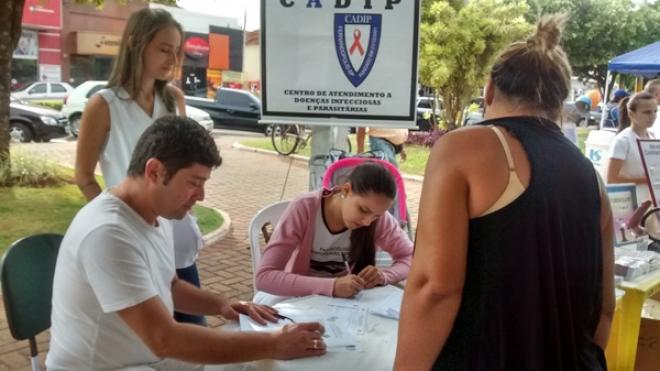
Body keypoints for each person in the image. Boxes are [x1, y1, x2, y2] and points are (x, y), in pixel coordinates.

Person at [395, 15, 614, 370]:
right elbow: (603, 310)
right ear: (560, 102)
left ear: (490, 90)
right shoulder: (590, 176)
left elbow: (435, 288)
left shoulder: (465, 148)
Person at [47, 117, 326, 370]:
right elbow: (164, 338)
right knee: (259, 357)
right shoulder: (108, 233)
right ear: (154, 171)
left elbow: (169, 285)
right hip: (102, 367)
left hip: (145, 358)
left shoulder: (156, 215)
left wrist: (223, 304)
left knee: (254, 365)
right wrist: (274, 343)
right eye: (194, 182)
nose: (201, 196)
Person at [74, 8, 206, 325]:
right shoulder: (103, 105)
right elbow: (83, 175)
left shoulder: (173, 99)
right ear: (136, 44)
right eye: (163, 49)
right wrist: (119, 221)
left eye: (176, 51)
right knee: (151, 340)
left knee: (193, 327)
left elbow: (186, 163)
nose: (172, 59)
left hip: (177, 239)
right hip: (134, 243)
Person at [255, 162, 413, 298]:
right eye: (363, 210)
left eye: (376, 216)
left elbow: (411, 258)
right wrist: (332, 286)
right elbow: (264, 277)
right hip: (300, 298)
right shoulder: (305, 208)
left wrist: (385, 276)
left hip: (346, 303)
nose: (367, 222)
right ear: (346, 190)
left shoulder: (379, 219)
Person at [607, 92, 658, 202]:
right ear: (631, 114)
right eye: (647, 112)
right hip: (632, 202)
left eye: (655, 111)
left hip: (652, 201)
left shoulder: (653, 137)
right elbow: (611, 178)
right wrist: (646, 179)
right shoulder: (623, 140)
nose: (652, 116)